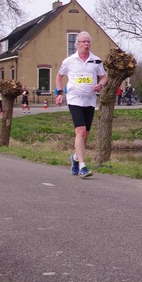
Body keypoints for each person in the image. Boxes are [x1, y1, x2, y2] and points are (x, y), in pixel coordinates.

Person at [56, 31, 107, 179]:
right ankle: (82, 167)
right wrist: (60, 93)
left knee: (86, 135)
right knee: (80, 131)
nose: (86, 44)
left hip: (90, 100)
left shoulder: (96, 60)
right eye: (83, 42)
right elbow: (59, 76)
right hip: (74, 99)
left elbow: (104, 77)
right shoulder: (69, 61)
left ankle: (75, 158)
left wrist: (100, 85)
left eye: (88, 42)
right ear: (77, 44)